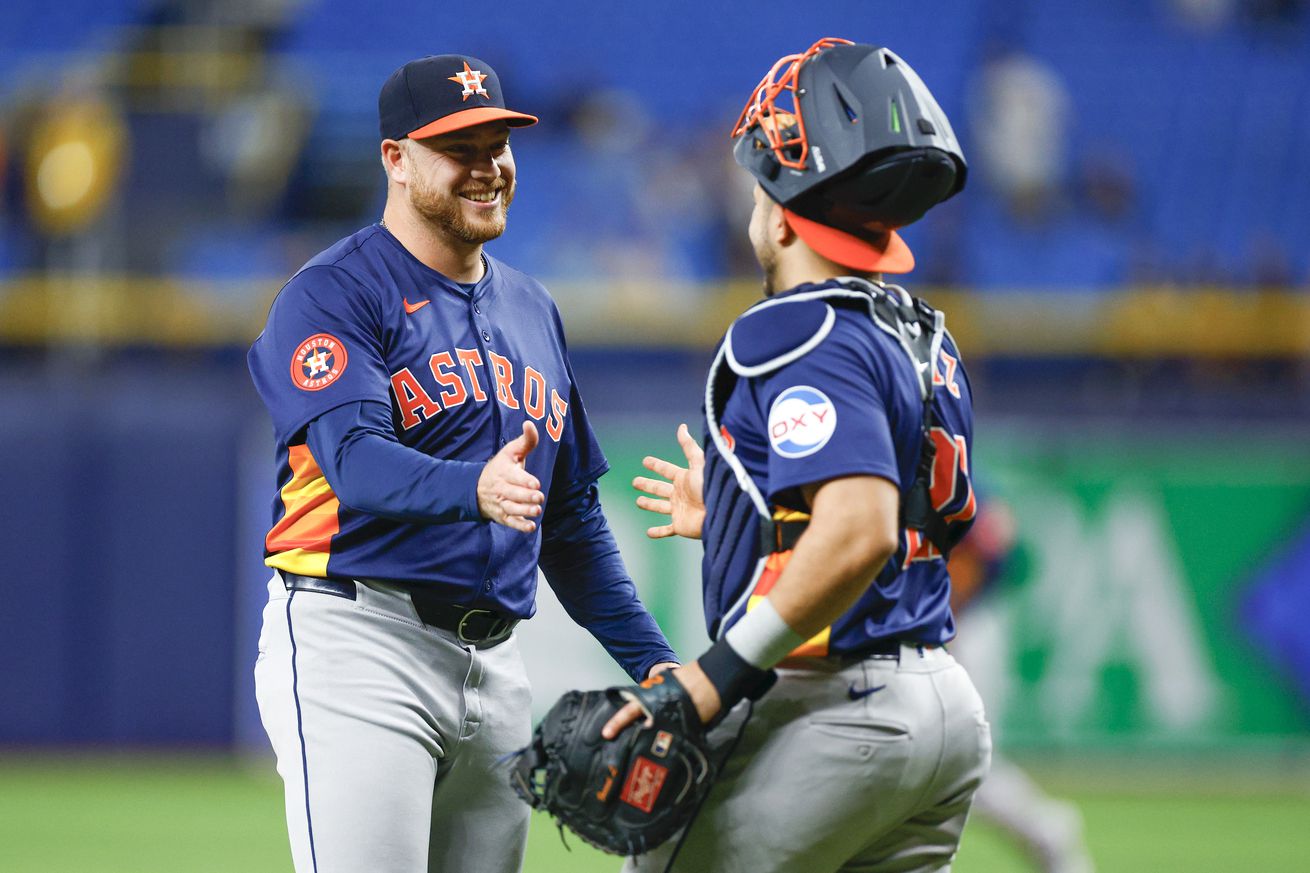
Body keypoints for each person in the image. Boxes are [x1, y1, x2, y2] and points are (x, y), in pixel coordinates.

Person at [246, 53, 678, 873]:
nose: (487, 168)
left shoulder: (532, 308)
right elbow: (355, 462)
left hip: (496, 664)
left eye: (498, 144)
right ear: (396, 160)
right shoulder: (334, 291)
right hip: (359, 637)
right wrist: (472, 486)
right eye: (460, 147)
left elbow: (570, 522)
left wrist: (659, 665)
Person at [602, 38, 992, 872]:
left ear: (780, 212)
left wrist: (711, 678)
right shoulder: (919, 332)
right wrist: (747, 518)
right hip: (941, 705)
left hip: (833, 707)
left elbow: (859, 533)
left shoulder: (798, 328)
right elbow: (917, 520)